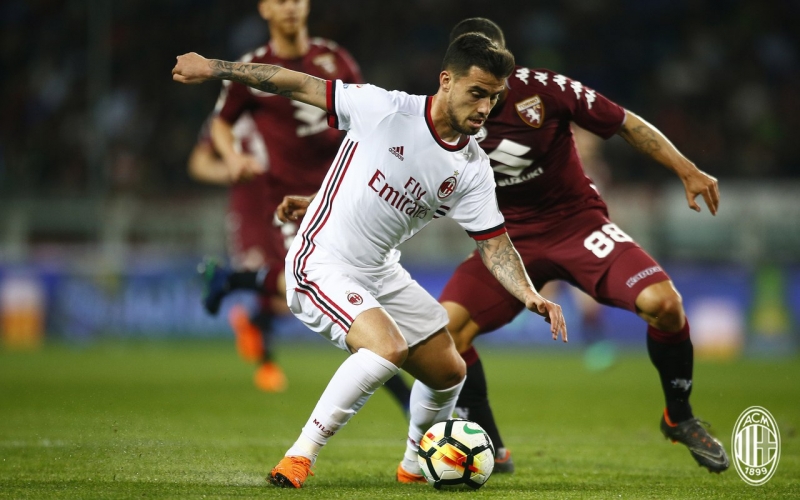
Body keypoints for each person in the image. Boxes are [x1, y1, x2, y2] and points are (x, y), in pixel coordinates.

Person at [173, 32, 567, 488]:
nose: (485, 108)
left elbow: (494, 243)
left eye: (494, 98)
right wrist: (214, 67)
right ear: (447, 81)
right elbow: (295, 83)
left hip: (380, 270)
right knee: (386, 348)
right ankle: (299, 456)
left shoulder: (473, 167)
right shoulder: (386, 109)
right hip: (322, 260)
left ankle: (414, 465)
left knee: (449, 370)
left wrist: (529, 294)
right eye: (477, 93)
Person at [435, 18, 727, 473]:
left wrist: (686, 169)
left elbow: (625, 123)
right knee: (445, 332)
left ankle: (679, 416)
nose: (491, 86)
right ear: (453, 74)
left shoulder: (546, 91)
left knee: (664, 304)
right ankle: (492, 447)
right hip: (507, 241)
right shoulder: (439, 117)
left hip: (577, 226)